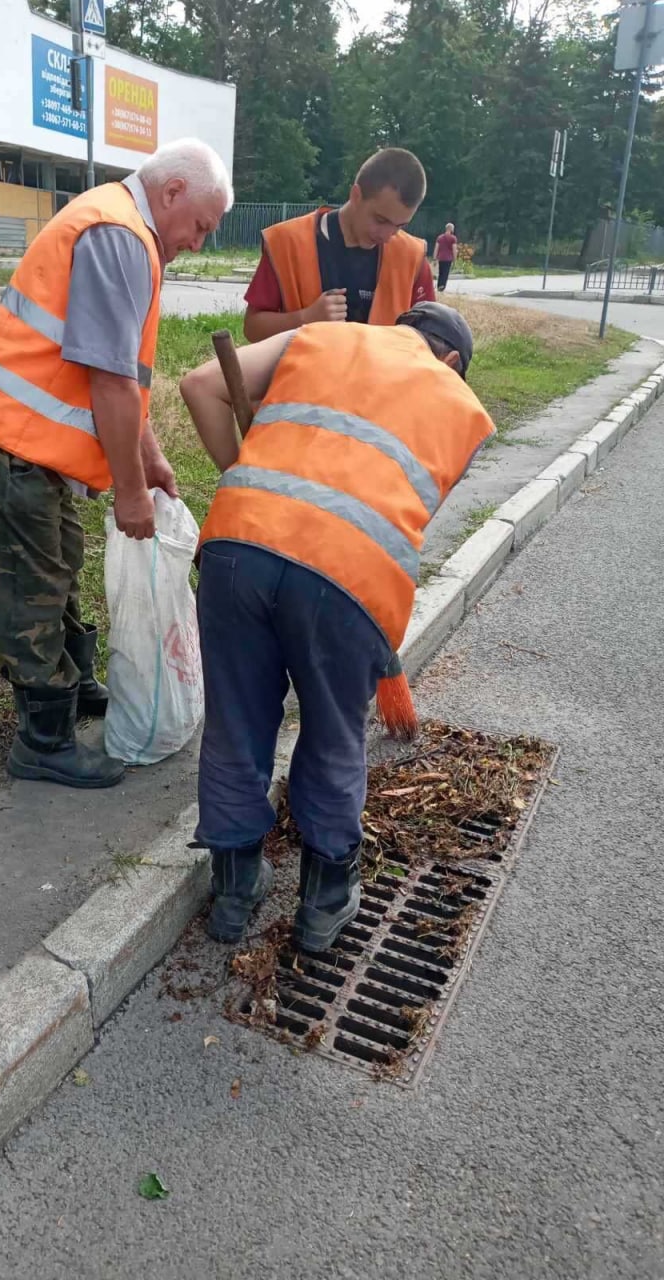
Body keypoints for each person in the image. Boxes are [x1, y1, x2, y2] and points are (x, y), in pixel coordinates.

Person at [180, 303, 495, 952]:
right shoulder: (462, 408)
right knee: (331, 733)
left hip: (239, 546)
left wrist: (247, 482)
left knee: (236, 722)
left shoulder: (320, 336)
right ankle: (324, 905)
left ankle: (234, 894)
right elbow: (406, 519)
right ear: (454, 363)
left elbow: (199, 384)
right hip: (348, 578)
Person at [0, 139, 233, 791]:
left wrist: (150, 458)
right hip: (6, 439)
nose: (198, 243)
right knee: (29, 581)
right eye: (200, 227)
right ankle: (43, 740)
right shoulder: (119, 235)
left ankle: (72, 690)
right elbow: (106, 379)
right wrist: (129, 492)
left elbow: (125, 377)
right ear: (173, 193)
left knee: (58, 558)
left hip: (28, 442)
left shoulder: (126, 228)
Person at [242, 148, 435, 343]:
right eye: (380, 220)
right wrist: (304, 319)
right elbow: (252, 328)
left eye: (400, 226)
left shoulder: (412, 257)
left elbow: (430, 339)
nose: (387, 235)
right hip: (306, 372)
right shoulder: (287, 243)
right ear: (356, 195)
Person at [434, 222, 458, 292]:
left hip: (441, 258)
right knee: (445, 273)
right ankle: (442, 287)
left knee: (441, 273)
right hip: (448, 259)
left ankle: (439, 286)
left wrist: (435, 258)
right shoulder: (453, 238)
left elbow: (436, 248)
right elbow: (454, 249)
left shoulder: (440, 237)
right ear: (451, 229)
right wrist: (455, 259)